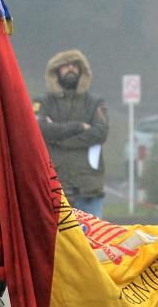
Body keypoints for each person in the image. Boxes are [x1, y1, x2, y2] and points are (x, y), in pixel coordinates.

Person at [36, 49, 108, 218]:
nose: (70, 69)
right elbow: (38, 130)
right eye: (65, 65)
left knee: (92, 240)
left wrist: (57, 136)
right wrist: (80, 127)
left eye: (75, 65)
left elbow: (101, 132)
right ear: (56, 71)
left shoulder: (95, 102)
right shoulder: (43, 102)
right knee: (54, 242)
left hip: (88, 187)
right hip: (53, 184)